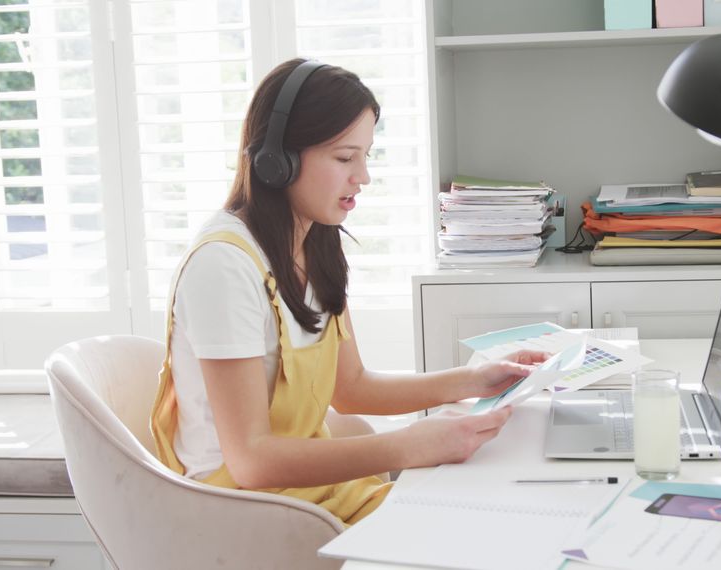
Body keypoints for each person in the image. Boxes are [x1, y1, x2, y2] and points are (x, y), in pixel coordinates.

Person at [150, 59, 547, 525]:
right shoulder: (224, 267)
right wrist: (410, 443)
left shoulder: (314, 241)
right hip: (246, 514)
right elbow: (250, 461)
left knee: (500, 509)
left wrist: (475, 380)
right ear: (277, 161)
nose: (363, 176)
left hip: (313, 496)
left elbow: (352, 388)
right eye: (344, 157)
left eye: (366, 156)